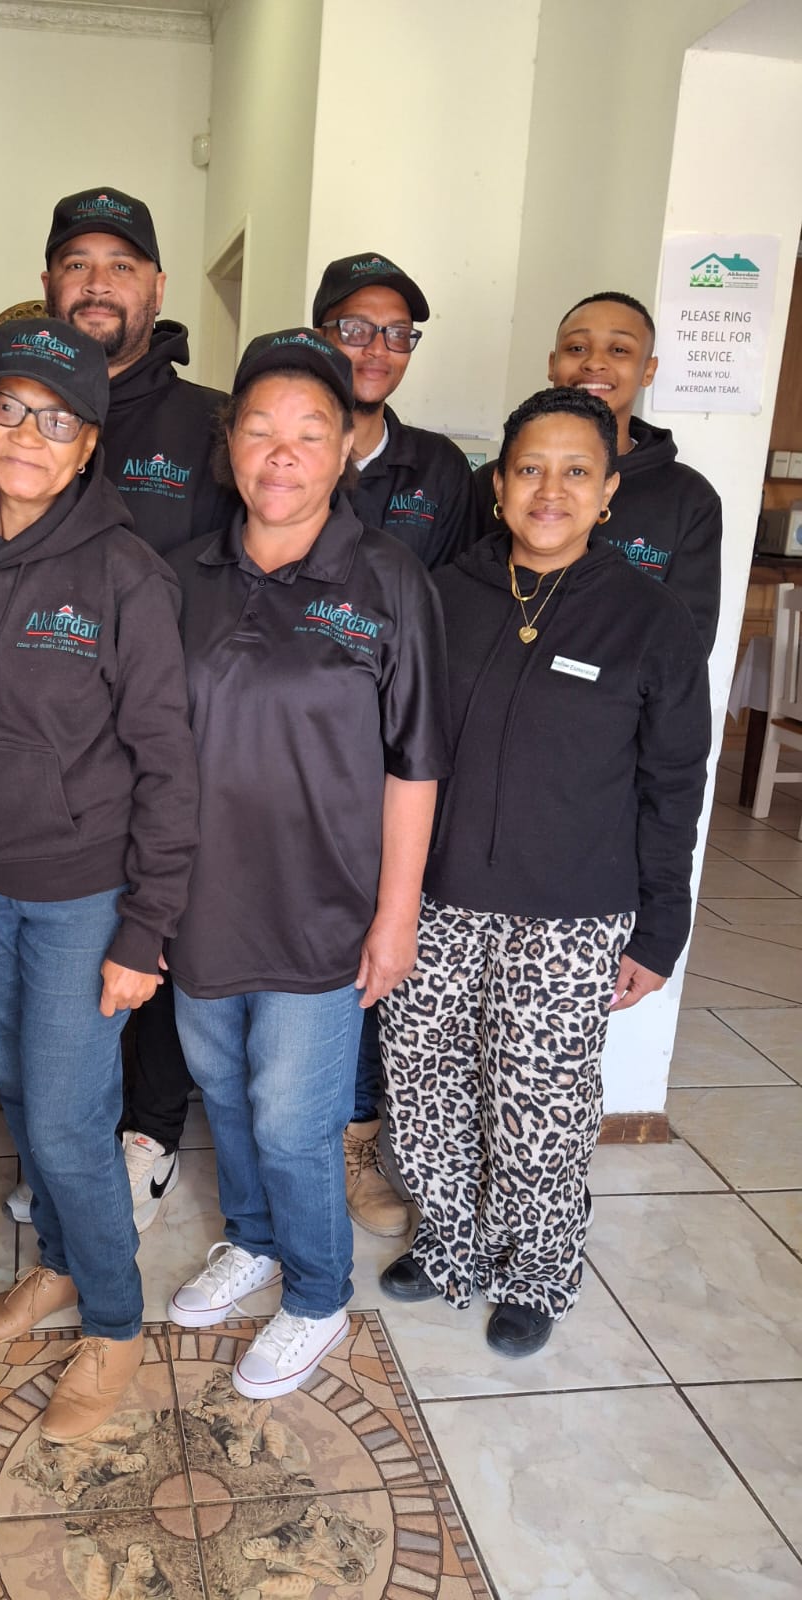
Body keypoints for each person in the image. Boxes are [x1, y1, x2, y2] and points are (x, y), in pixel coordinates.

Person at [380, 387, 709, 1357]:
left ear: (608, 493)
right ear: (498, 485)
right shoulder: (442, 597)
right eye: (530, 468)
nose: (550, 490)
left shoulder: (649, 620)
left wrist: (662, 927)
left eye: (576, 471)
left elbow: (674, 785)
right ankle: (450, 1238)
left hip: (572, 914)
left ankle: (538, 1265)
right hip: (437, 898)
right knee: (425, 1080)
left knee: (540, 1104)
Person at [164, 330, 451, 1399]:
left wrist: (396, 913)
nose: (282, 455)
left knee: (293, 1116)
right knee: (224, 1090)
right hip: (200, 899)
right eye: (260, 430)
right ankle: (252, 1238)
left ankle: (320, 1291)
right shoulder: (183, 574)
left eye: (310, 433)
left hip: (321, 905)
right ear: (229, 445)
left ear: (342, 454)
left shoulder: (387, 580)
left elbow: (415, 762)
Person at [0, 317, 198, 1440]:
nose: (27, 434)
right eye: (8, 407)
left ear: (90, 443)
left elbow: (169, 765)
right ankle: (56, 1259)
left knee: (66, 1118)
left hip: (80, 895)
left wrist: (146, 928)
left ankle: (113, 1320)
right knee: (21, 1094)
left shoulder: (125, 574)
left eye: (56, 420)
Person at [38, 186, 234, 1228]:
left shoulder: (209, 421)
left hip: (164, 734)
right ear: (48, 284)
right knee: (67, 945)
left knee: (154, 930)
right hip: (44, 746)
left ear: (156, 285)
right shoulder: (22, 407)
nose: (98, 283)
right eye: (78, 263)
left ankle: (148, 1133)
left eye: (121, 265)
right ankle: (71, 1132)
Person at [314, 251, 474, 1242]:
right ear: (320, 332)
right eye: (354, 327)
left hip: (394, 754)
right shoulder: (286, 439)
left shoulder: (441, 472)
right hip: (292, 745)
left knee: (380, 940)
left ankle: (357, 1138)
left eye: (396, 333)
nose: (375, 348)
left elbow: (456, 614)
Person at [471, 292, 722, 651]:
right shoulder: (495, 482)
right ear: (552, 363)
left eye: (619, 350)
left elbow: (686, 644)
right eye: (577, 348)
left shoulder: (689, 498)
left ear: (648, 370)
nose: (594, 363)